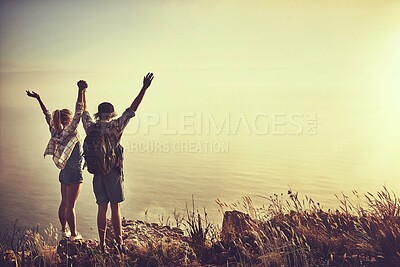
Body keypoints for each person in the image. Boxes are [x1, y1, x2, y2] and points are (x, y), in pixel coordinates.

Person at [82, 72, 154, 252]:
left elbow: (83, 111)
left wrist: (82, 91)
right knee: (115, 208)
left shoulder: (91, 126)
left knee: (101, 208)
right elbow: (132, 109)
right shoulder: (116, 125)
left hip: (97, 173)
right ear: (112, 113)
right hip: (113, 172)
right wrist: (144, 88)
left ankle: (102, 245)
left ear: (99, 114)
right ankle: (120, 243)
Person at [26, 80, 87, 241]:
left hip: (63, 172)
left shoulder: (54, 130)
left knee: (64, 203)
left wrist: (39, 98)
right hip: (74, 172)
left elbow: (47, 115)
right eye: (71, 119)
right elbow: (79, 111)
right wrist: (80, 90)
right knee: (71, 206)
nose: (74, 120)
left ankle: (63, 229)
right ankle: (74, 235)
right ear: (68, 120)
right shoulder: (70, 130)